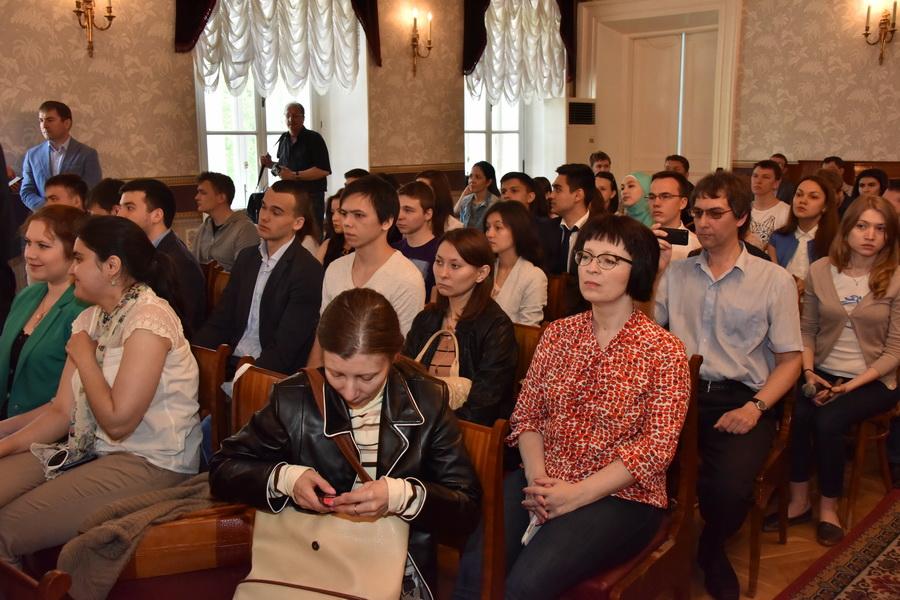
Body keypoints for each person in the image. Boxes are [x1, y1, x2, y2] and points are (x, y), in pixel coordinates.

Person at [454, 215, 690, 599]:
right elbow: (527, 416)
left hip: (621, 496)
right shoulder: (559, 334)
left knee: (526, 586)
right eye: (586, 256)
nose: (592, 268)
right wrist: (537, 479)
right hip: (543, 477)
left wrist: (575, 495)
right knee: (475, 570)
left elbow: (655, 449)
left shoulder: (664, 350)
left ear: (638, 269)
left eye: (609, 260)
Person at [209, 288, 480, 600]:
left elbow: (466, 507)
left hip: (395, 566)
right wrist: (287, 479)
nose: (350, 392)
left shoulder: (427, 400)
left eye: (367, 377)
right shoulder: (295, 398)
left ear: (393, 357)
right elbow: (223, 470)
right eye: (336, 374)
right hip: (307, 561)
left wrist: (400, 495)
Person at [0, 216, 200, 566]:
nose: (72, 268)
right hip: (92, 448)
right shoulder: (91, 318)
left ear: (112, 267)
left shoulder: (149, 319)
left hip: (151, 462)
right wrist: (5, 444)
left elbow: (119, 423)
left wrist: (85, 358)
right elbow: (61, 412)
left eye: (79, 258)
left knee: (5, 529)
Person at [654, 170, 802, 600]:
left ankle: (711, 547)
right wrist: (656, 273)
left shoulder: (772, 279)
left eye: (715, 213)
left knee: (730, 489)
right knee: (632, 460)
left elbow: (791, 360)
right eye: (698, 213)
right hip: (679, 393)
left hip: (741, 397)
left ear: (740, 217)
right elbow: (647, 336)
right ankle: (649, 549)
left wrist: (756, 408)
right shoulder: (677, 273)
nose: (703, 223)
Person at [777, 196, 900, 547]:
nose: (870, 235)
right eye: (862, 226)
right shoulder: (821, 270)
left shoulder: (896, 277)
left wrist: (849, 386)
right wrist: (809, 371)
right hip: (821, 371)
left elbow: (895, 351)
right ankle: (799, 500)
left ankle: (828, 508)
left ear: (889, 236)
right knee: (799, 416)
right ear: (847, 230)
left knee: (828, 421)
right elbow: (807, 330)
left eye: (880, 229)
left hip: (875, 379)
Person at [195, 182, 324, 375]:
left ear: (297, 223)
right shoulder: (247, 258)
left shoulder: (307, 270)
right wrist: (193, 354)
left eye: (276, 212)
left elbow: (286, 347)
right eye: (263, 207)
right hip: (232, 360)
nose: (264, 217)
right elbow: (221, 319)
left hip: (271, 373)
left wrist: (246, 378)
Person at [403, 229, 517, 426]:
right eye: (439, 262)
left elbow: (483, 405)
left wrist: (433, 429)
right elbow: (402, 375)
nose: (443, 273)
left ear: (481, 273)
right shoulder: (426, 318)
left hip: (465, 430)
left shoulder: (496, 327)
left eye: (455, 266)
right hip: (417, 422)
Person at [0, 206, 89, 423]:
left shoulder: (83, 310)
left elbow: (70, 403)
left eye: (43, 246)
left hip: (44, 428)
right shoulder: (27, 296)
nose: (30, 254)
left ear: (74, 251)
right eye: (28, 243)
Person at [318, 175, 425, 340]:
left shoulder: (406, 278)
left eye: (359, 215)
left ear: (387, 221)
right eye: (344, 213)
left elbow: (404, 348)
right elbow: (323, 335)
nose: (347, 222)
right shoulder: (335, 268)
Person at [118, 178, 206, 336]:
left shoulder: (178, 261)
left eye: (129, 208)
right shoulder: (145, 252)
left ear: (157, 215)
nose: (120, 215)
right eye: (120, 208)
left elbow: (181, 325)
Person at [260, 102, 331, 232]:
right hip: (289, 198)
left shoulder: (314, 138)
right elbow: (283, 170)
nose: (291, 119)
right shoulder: (284, 138)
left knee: (312, 234)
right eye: (287, 116)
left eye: (295, 116)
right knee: (292, 234)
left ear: (303, 118)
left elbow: (323, 170)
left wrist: (294, 175)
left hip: (311, 198)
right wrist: (270, 165)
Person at [19, 101, 102, 212]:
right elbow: (26, 191)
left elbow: (92, 190)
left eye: (50, 120)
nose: (44, 126)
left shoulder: (87, 154)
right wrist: (48, 207)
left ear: (66, 123)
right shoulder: (32, 155)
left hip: (76, 217)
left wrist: (67, 208)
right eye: (41, 120)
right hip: (43, 216)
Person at [484, 201, 547, 326]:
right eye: (487, 228)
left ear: (518, 230)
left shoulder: (533, 276)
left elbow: (528, 328)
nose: (489, 234)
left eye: (498, 227)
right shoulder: (484, 268)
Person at [768, 175, 839, 282]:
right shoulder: (777, 237)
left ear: (825, 206)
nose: (803, 201)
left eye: (813, 197)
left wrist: (808, 285)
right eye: (799, 195)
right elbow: (773, 277)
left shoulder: (836, 242)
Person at [192, 171, 259, 272]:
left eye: (203, 193)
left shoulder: (245, 229)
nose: (196, 197)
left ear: (221, 198)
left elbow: (246, 272)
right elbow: (193, 265)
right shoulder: (204, 228)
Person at [544, 163, 594, 275]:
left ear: (578, 195)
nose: (551, 196)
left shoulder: (600, 232)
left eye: (558, 190)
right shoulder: (544, 230)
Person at [394, 181, 441, 300]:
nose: (399, 216)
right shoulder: (392, 249)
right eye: (397, 209)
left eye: (408, 210)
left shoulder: (440, 251)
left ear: (428, 214)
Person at [648, 170, 701, 261]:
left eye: (665, 196)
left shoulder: (695, 246)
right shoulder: (638, 241)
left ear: (683, 203)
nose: (656, 203)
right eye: (652, 197)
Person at [748, 159, 791, 250]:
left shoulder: (787, 212)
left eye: (765, 177)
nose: (758, 181)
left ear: (776, 183)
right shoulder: (742, 209)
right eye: (755, 176)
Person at [457, 161, 500, 230]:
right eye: (471, 176)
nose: (472, 180)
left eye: (478, 177)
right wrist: (463, 194)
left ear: (488, 182)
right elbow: (456, 214)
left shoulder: (495, 203)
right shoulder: (465, 200)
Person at [316, 190, 354, 269]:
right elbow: (314, 272)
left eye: (341, 212)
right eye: (332, 212)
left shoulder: (364, 248)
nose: (334, 218)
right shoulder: (328, 244)